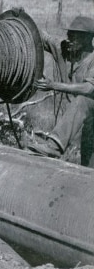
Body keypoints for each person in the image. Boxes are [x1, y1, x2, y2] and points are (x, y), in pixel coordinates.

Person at [27, 16, 94, 167]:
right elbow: (45, 38)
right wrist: (22, 18)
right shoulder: (69, 52)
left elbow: (88, 89)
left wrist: (53, 85)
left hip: (89, 107)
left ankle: (54, 147)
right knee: (88, 167)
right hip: (88, 118)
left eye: (74, 36)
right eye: (68, 35)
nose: (69, 39)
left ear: (87, 39)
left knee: (84, 100)